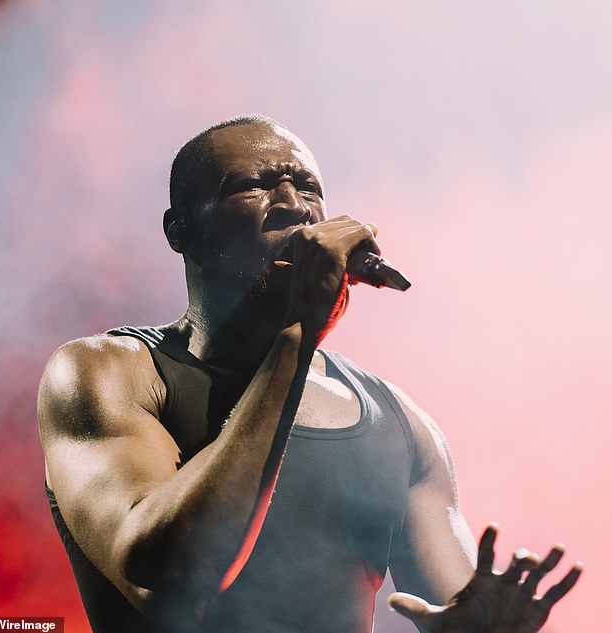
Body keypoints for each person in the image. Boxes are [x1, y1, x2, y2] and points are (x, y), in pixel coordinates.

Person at [38, 114, 581, 633]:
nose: (294, 206)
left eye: (309, 188)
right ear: (180, 230)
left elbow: (455, 607)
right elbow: (175, 576)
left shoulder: (398, 424)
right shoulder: (107, 374)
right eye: (255, 186)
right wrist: (297, 335)